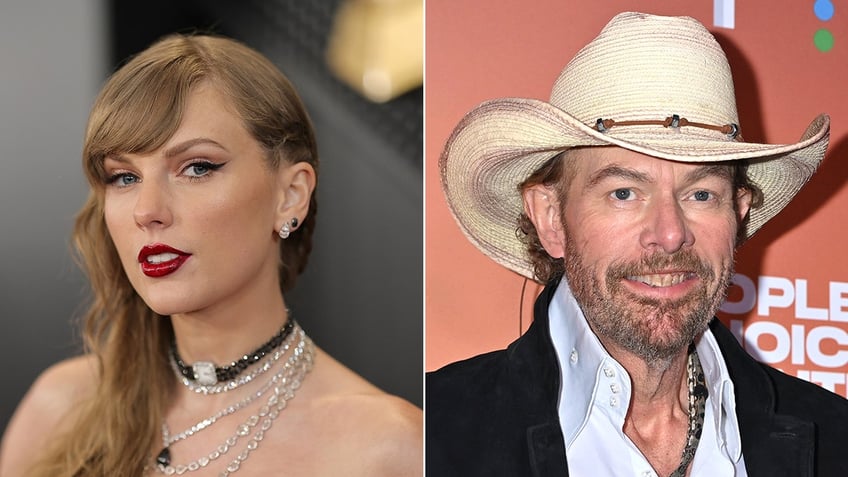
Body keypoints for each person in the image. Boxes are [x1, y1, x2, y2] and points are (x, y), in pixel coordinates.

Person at [427, 11, 848, 477]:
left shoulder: (837, 439)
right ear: (551, 218)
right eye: (624, 193)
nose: (669, 234)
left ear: (739, 213)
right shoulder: (433, 432)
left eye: (701, 194)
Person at [0, 34, 422, 476]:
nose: (147, 211)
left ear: (291, 195)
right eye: (124, 177)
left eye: (197, 168)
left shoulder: (388, 448)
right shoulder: (60, 409)